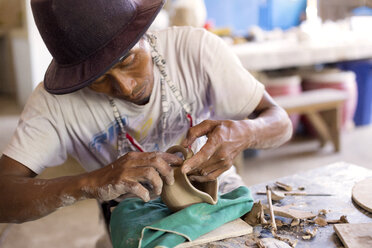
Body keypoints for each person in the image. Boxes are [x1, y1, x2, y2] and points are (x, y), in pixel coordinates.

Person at [0, 0, 292, 224]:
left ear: (144, 33)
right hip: (129, 205)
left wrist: (246, 132)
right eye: (97, 79)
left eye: (128, 60)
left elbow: (280, 122)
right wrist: (89, 183)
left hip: (217, 187)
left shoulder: (195, 50)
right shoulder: (53, 103)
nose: (126, 87)